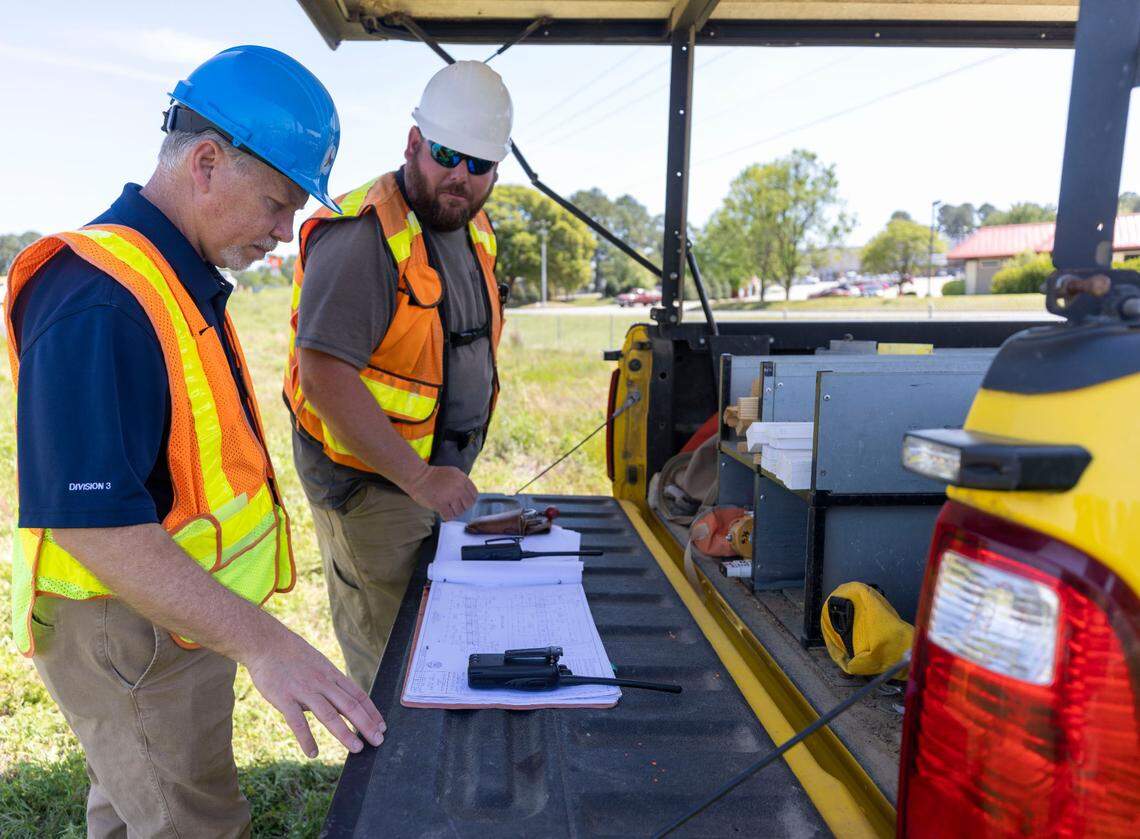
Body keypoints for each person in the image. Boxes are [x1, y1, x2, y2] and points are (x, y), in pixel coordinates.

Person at [5, 46, 385, 838]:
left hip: (167, 615)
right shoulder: (99, 297)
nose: (284, 234)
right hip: (127, 626)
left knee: (134, 799)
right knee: (192, 822)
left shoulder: (172, 274)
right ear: (207, 161)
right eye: (278, 205)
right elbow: (92, 524)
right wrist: (265, 643)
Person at [283, 60, 513, 690]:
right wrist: (416, 477)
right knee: (391, 657)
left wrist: (435, 476)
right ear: (414, 144)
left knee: (430, 640)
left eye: (479, 165)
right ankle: (383, 775)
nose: (459, 177)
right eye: (446, 154)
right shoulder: (364, 238)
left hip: (426, 481)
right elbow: (324, 373)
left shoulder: (470, 226)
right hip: (370, 489)